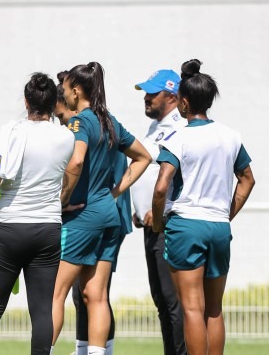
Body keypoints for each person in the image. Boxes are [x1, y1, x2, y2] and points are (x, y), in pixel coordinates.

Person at [152, 59, 255, 355]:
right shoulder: (230, 136)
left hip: (186, 225)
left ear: (183, 102)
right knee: (214, 309)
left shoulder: (177, 137)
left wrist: (159, 223)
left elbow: (161, 187)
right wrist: (227, 214)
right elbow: (247, 179)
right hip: (219, 227)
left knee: (192, 309)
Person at [51, 62, 151, 355]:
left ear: (76, 90)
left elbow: (77, 160)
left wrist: (62, 200)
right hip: (109, 216)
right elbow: (143, 158)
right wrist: (115, 192)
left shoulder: (80, 121)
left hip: (82, 218)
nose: (65, 94)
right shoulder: (109, 120)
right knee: (96, 295)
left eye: (67, 88)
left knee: (53, 295)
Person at [0, 73, 74, 355]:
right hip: (48, 228)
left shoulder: (10, 131)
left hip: (11, 227)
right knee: (42, 312)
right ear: (54, 103)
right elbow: (67, 174)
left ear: (26, 101)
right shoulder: (66, 137)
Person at [130, 69, 188, 355]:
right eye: (145, 92)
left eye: (153, 93)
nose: (146, 98)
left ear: (173, 97)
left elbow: (180, 176)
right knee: (162, 301)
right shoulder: (154, 127)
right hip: (150, 226)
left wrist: (161, 211)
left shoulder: (180, 127)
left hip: (167, 226)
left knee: (174, 302)